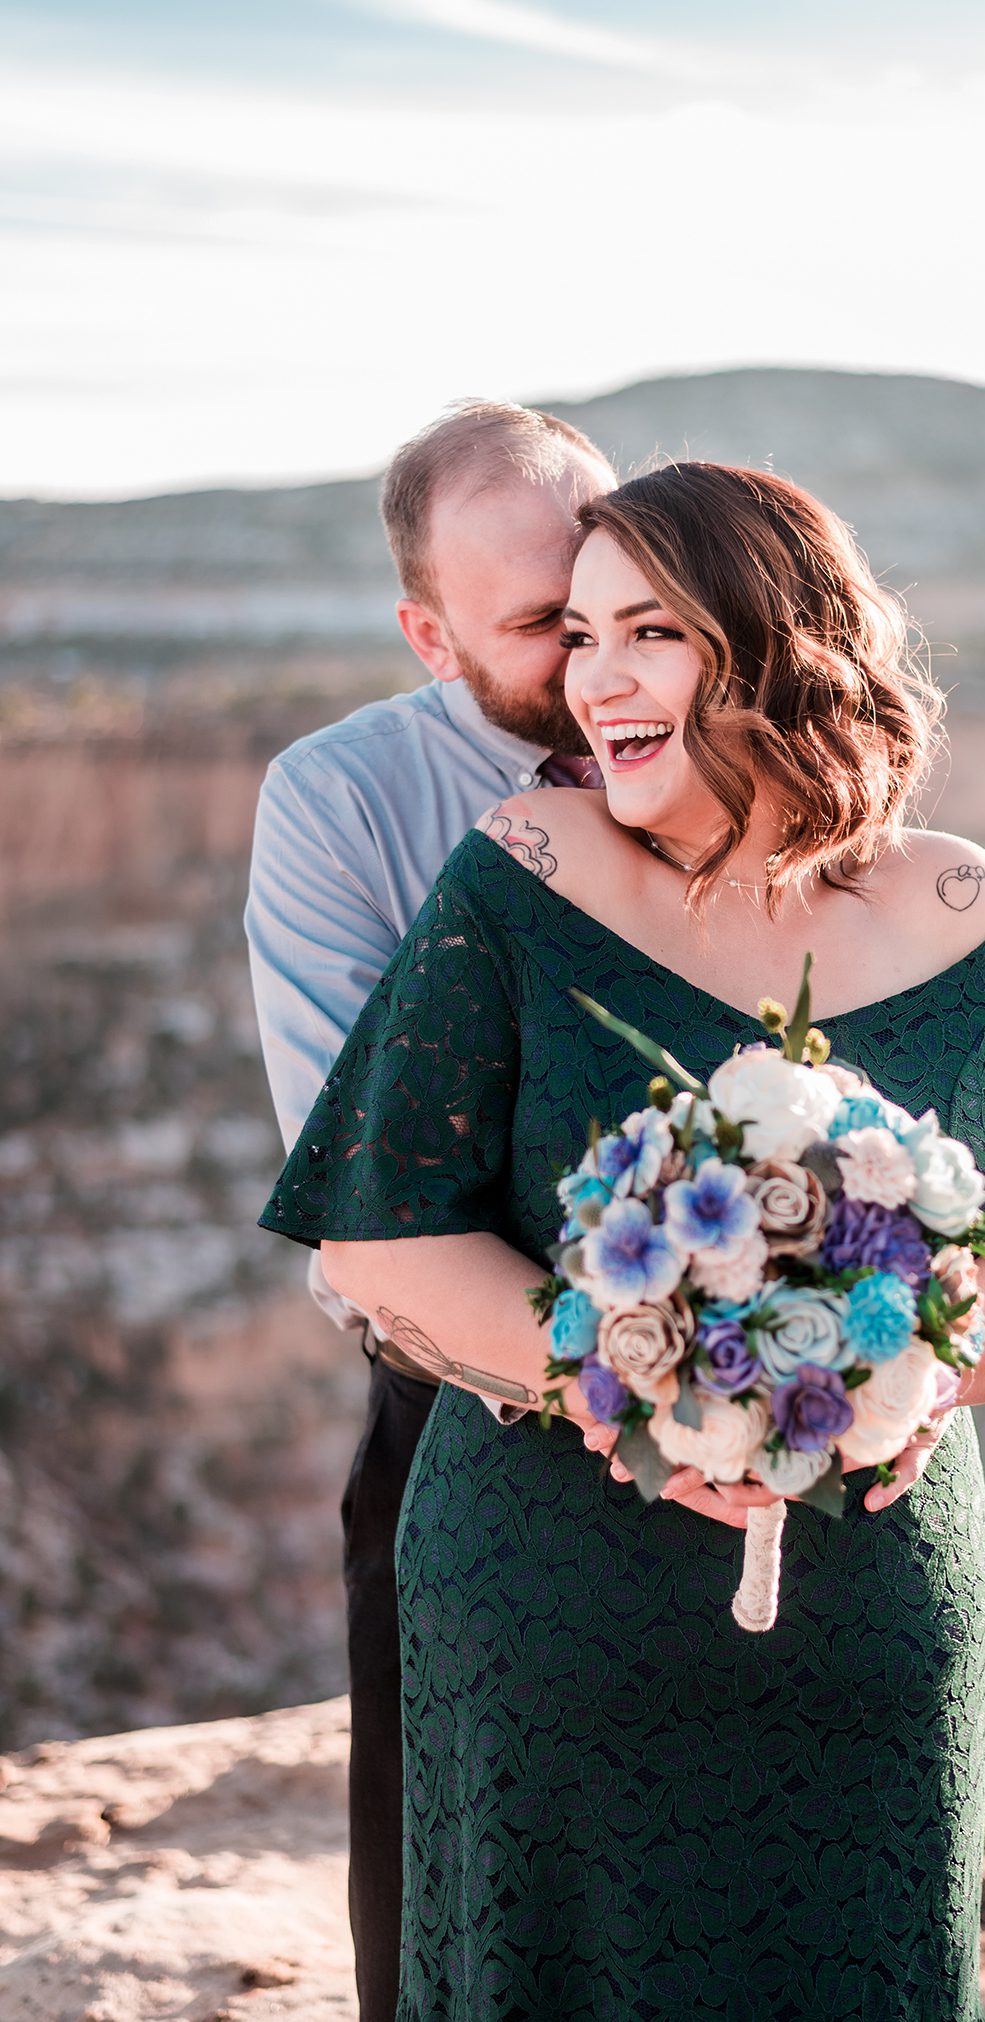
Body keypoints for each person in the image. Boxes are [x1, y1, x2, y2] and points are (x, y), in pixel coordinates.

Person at [261, 461, 985, 2021]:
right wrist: (638, 1384)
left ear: (772, 647)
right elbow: (378, 1237)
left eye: (649, 633)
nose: (592, 677)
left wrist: (913, 1377)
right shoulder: (519, 871)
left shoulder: (957, 901)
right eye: (578, 633)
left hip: (869, 1628)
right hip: (552, 1620)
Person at [244, 400, 618, 2022]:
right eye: (541, 625)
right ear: (429, 629)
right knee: (444, 1892)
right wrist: (615, 1364)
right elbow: (364, 1193)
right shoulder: (340, 802)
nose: (592, 655)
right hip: (461, 1415)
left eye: (615, 597)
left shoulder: (722, 740)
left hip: (762, 1403)